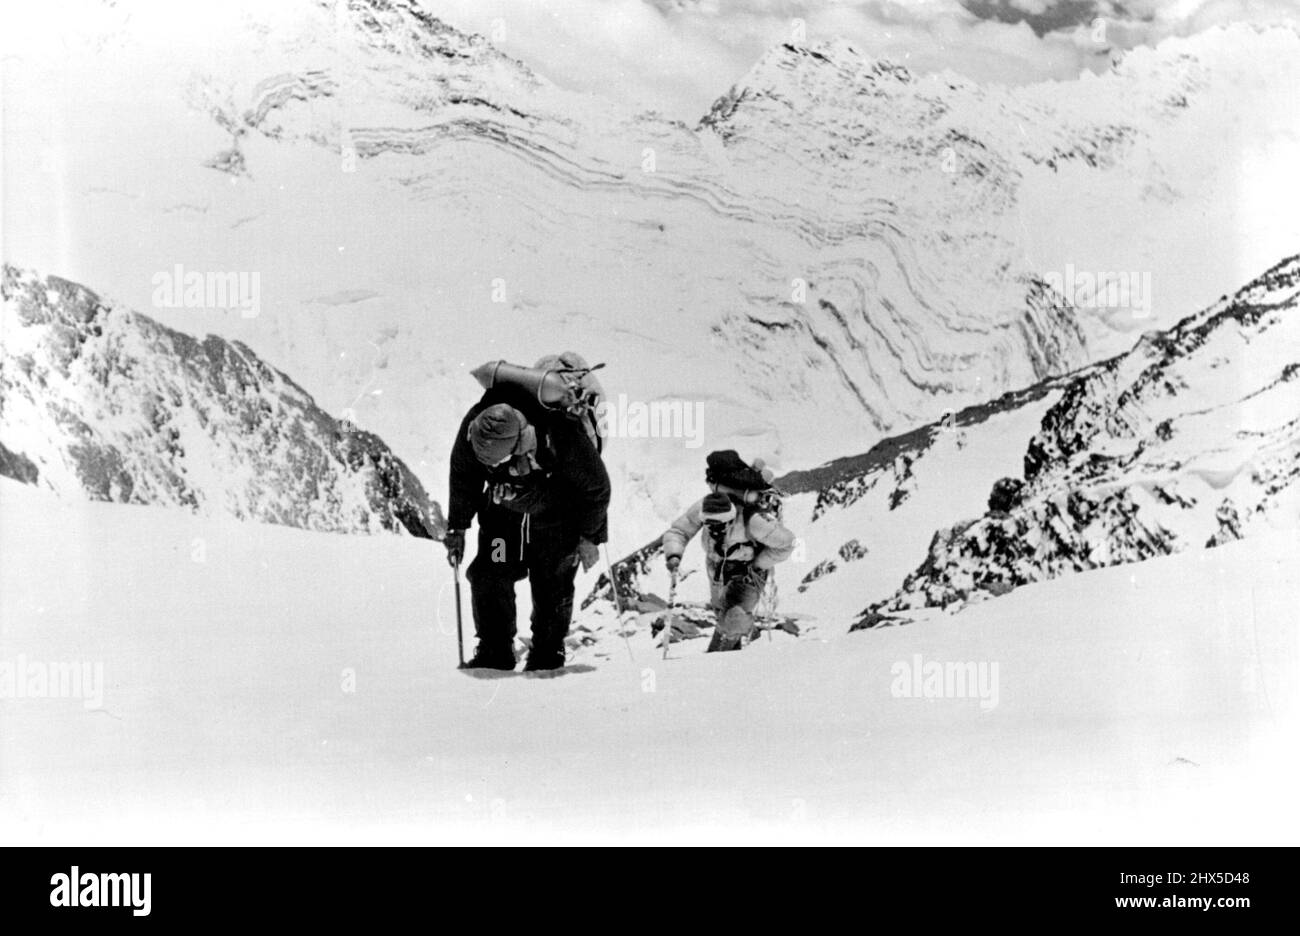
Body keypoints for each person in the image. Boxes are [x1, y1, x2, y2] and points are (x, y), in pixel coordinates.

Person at [444, 379, 610, 671]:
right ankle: (494, 652)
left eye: (499, 462)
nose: (492, 468)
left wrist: (589, 536)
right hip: (501, 526)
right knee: (489, 575)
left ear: (519, 442)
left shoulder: (560, 433)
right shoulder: (474, 428)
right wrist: (457, 528)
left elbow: (596, 488)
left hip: (556, 523)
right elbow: (463, 477)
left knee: (552, 584)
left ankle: (547, 654)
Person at [661, 451, 795, 652]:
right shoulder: (704, 507)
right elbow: (679, 530)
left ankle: (717, 656)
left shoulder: (754, 522)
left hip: (746, 574)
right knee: (722, 616)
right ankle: (733, 660)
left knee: (732, 621)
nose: (714, 530)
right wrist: (673, 554)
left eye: (719, 525)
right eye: (709, 525)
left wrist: (759, 564)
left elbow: (787, 543)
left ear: (732, 517)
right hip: (716, 571)